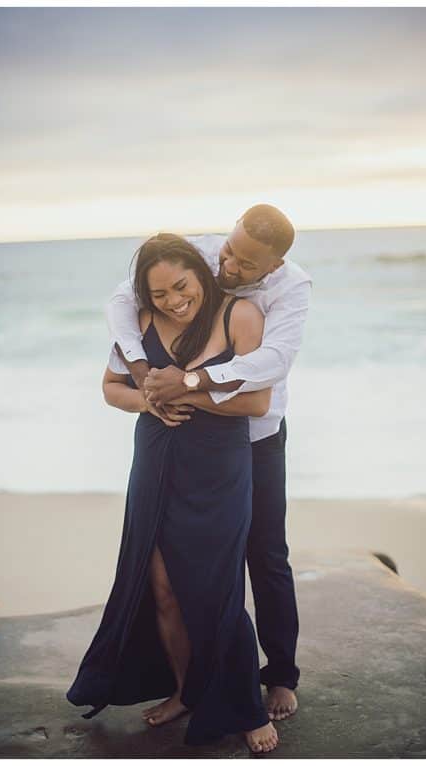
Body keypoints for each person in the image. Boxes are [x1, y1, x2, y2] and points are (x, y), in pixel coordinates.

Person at [67, 234, 279, 752]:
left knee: (218, 588)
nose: (172, 301)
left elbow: (256, 403)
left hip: (219, 469)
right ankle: (185, 692)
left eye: (180, 286)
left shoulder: (241, 316)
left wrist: (186, 389)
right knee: (161, 587)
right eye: (158, 293)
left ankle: (245, 708)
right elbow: (111, 389)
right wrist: (149, 403)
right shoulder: (138, 325)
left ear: (199, 275)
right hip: (156, 463)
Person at [107, 204, 310, 723]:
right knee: (183, 572)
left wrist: (188, 385)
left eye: (245, 264)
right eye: (229, 251)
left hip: (256, 440)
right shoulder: (198, 256)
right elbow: (123, 299)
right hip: (191, 447)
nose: (230, 266)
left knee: (264, 555)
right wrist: (142, 372)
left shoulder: (288, 291)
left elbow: (272, 366)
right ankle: (193, 685)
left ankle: (281, 675)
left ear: (273, 266)